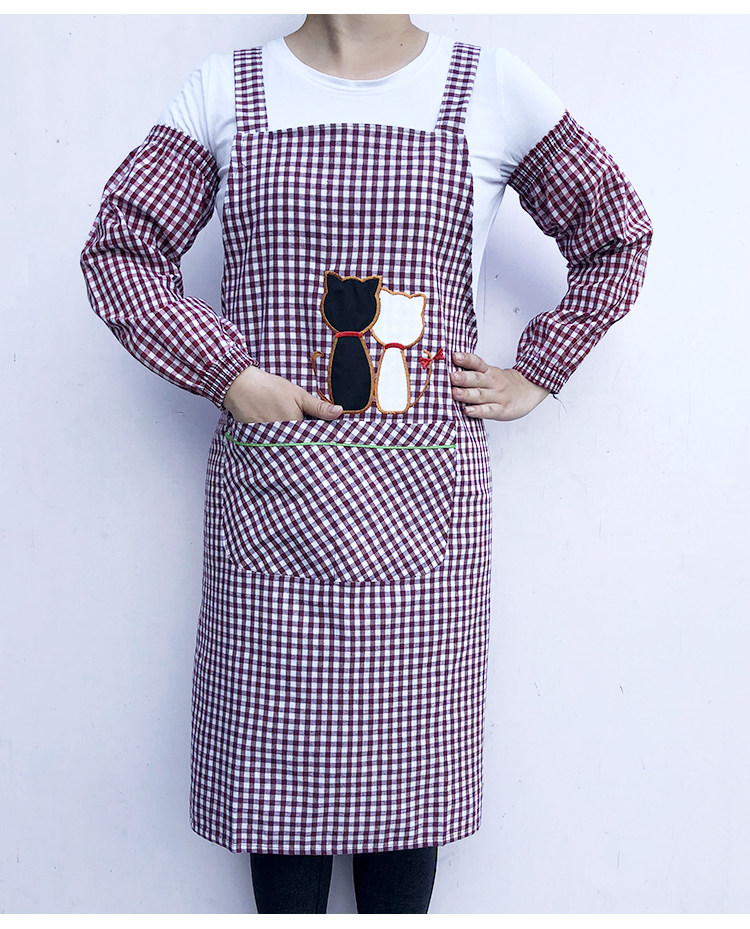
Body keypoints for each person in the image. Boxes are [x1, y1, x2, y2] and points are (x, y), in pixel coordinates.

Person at [80, 14, 652, 914]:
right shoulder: (227, 91)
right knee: (277, 800)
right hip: (273, 521)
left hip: (424, 519)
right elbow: (121, 249)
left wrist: (540, 369)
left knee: (408, 802)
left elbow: (616, 231)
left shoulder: (490, 87)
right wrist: (227, 373)